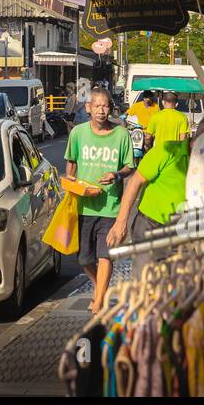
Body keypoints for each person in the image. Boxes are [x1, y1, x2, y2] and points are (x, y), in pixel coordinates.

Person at [64, 85, 135, 315]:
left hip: (110, 207)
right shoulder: (78, 133)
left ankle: (99, 299)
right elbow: (71, 163)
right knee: (84, 258)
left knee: (105, 255)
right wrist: (70, 184)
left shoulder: (121, 134)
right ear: (88, 108)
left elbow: (129, 166)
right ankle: (98, 286)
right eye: (97, 106)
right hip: (84, 206)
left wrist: (116, 174)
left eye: (106, 106)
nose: (102, 111)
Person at [107, 91, 191, 266]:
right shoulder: (182, 119)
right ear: (175, 103)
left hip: (177, 223)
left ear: (163, 102)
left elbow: (148, 136)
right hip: (152, 220)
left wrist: (147, 146)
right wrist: (121, 221)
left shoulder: (157, 116)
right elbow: (183, 138)